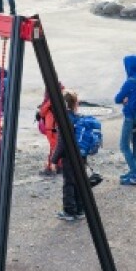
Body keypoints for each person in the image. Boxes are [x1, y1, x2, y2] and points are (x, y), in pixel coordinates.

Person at [114, 54, 136, 185]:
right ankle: (135, 170)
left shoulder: (130, 82)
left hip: (130, 117)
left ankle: (135, 173)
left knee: (124, 145)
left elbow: (117, 99)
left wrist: (124, 99)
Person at [53, 89, 86, 221]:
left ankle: (69, 211)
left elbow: (61, 143)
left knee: (69, 183)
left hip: (69, 158)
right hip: (81, 156)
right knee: (79, 182)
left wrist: (54, 159)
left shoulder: (64, 120)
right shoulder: (79, 118)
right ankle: (80, 209)